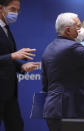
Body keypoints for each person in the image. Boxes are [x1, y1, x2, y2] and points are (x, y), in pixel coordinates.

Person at [0, 0, 40, 130]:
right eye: (12, 9)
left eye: (18, 10)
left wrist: (21, 67)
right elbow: (10, 56)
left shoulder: (6, 28)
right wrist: (13, 55)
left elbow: (6, 57)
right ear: (1, 8)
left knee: (16, 126)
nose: (16, 13)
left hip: (9, 93)